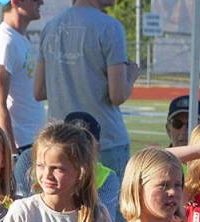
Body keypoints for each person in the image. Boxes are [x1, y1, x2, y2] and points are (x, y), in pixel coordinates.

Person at [35, 0, 139, 179]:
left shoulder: (50, 27)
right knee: (109, 205)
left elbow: (39, 91)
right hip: (105, 141)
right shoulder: (110, 27)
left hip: (61, 140)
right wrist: (131, 74)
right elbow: (118, 95)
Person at [0, 0, 45, 195]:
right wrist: (12, 154)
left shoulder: (18, 39)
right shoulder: (5, 41)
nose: (41, 2)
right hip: (20, 147)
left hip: (29, 144)